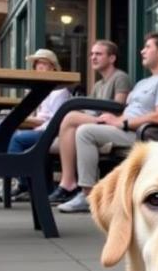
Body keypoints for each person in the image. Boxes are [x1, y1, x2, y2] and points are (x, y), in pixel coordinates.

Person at [57, 32, 158, 214]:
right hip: (128, 129)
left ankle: (88, 196)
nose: (142, 51)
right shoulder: (144, 82)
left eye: (147, 47)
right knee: (75, 122)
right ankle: (83, 191)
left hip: (146, 134)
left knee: (85, 132)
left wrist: (122, 123)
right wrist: (115, 121)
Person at [46, 39, 132, 205]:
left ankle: (68, 184)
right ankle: (64, 184)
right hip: (97, 125)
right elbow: (90, 109)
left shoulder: (120, 77)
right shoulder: (99, 84)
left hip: (111, 125)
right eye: (92, 54)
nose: (93, 57)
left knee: (70, 117)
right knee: (55, 136)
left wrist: (87, 117)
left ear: (112, 58)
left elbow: (118, 107)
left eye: (98, 54)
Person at [0, 48, 71, 202]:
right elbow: (33, 115)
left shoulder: (59, 92)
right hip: (37, 128)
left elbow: (54, 121)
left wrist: (27, 121)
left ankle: (22, 183)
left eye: (43, 64)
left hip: (51, 132)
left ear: (53, 67)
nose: (39, 67)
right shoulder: (38, 89)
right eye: (37, 64)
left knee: (17, 138)